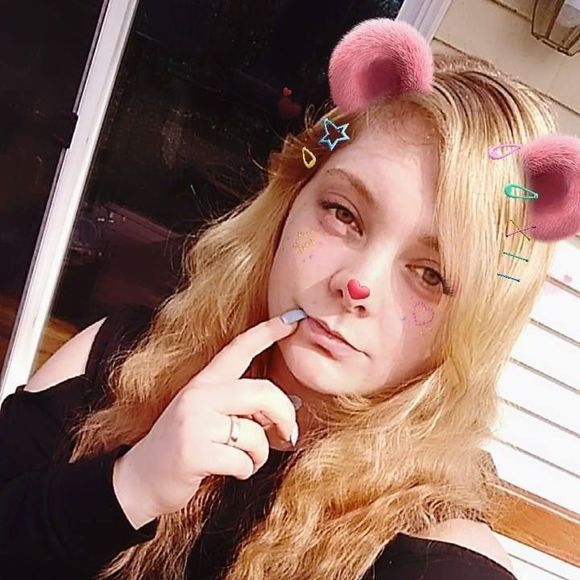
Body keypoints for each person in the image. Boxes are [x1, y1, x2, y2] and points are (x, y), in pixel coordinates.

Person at [1, 18, 579, 580]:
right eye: (344, 214)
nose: (358, 283)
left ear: (477, 319)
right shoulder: (118, 358)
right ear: (289, 202)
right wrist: (129, 486)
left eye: (431, 273)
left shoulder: (438, 557)